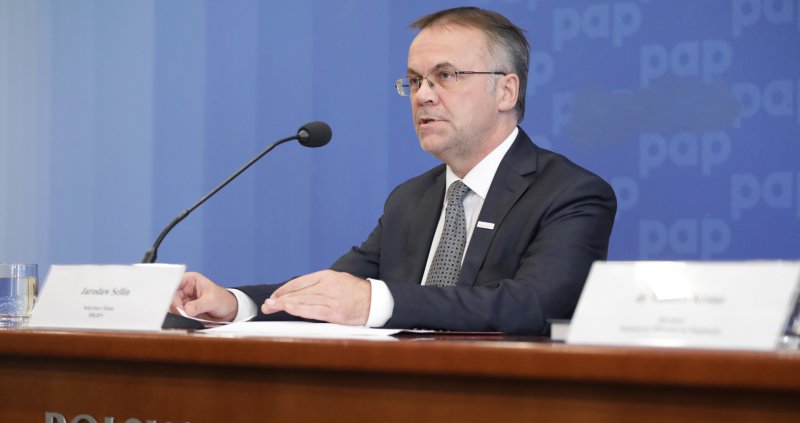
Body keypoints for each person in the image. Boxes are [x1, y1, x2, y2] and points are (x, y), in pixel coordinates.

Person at [172, 7, 617, 335]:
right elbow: (333, 292)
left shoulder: (570, 193)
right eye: (416, 80)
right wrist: (236, 303)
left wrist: (376, 301)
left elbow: (533, 306)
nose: (423, 95)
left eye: (446, 75)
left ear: (506, 90)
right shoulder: (411, 199)